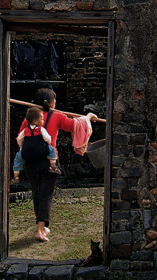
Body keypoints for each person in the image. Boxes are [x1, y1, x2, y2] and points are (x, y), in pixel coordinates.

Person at [16, 88, 98, 242]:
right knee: (45, 195)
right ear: (52, 103)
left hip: (31, 162)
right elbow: (76, 125)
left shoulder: (30, 117)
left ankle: (42, 227)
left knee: (37, 193)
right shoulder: (57, 116)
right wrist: (87, 117)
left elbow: (20, 138)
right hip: (49, 161)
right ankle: (41, 230)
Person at [12, 106, 60, 184]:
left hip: (27, 152)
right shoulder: (41, 129)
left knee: (18, 158)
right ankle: (53, 166)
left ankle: (16, 175)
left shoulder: (25, 130)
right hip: (40, 150)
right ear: (35, 121)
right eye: (41, 119)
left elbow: (19, 139)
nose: (43, 120)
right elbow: (48, 138)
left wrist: (22, 147)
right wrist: (47, 143)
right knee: (51, 149)